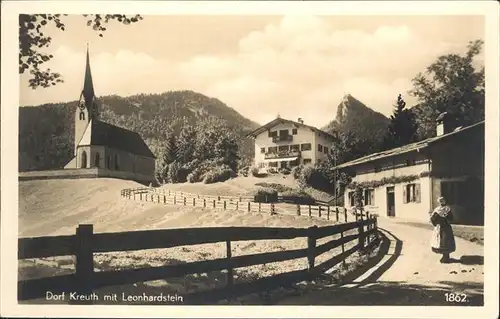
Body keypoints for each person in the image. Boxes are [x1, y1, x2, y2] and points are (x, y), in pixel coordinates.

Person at [430, 196, 456, 263]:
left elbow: (432, 219)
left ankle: (445, 257)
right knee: (444, 241)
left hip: (443, 227)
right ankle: (445, 257)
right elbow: (433, 219)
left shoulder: (441, 209)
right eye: (441, 201)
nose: (442, 202)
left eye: (442, 201)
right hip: (443, 227)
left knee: (445, 241)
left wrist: (436, 224)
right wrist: (436, 224)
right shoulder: (444, 209)